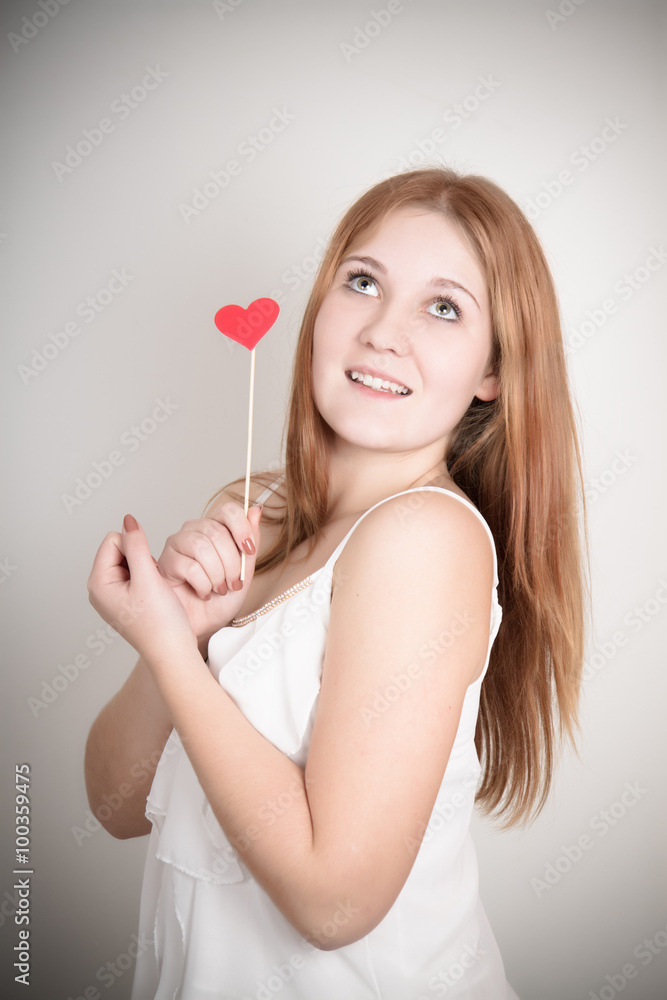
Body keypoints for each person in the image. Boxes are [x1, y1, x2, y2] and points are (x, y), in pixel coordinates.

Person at [85, 166, 587, 999]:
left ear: (491, 372)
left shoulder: (423, 538)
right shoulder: (257, 516)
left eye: (443, 307)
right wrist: (176, 635)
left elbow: (334, 902)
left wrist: (174, 655)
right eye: (362, 282)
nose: (383, 332)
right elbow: (115, 806)